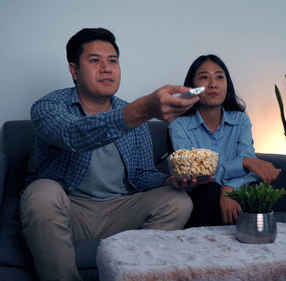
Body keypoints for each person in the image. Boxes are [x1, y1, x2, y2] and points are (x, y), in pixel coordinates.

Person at [20, 28, 204, 281]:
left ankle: (132, 274)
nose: (106, 68)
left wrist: (167, 181)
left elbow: (140, 175)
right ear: (74, 70)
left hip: (119, 210)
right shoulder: (49, 106)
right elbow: (74, 135)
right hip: (71, 209)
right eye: (95, 61)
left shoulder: (133, 113)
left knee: (177, 201)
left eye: (113, 61)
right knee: (41, 193)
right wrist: (142, 109)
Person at [168, 54, 282, 227]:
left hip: (235, 194)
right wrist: (242, 163)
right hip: (198, 197)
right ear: (191, 87)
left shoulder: (241, 120)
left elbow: (251, 170)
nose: (213, 84)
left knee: (254, 193)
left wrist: (229, 189)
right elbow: (196, 173)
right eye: (204, 77)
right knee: (210, 191)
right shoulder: (178, 126)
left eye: (220, 77)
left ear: (227, 84)